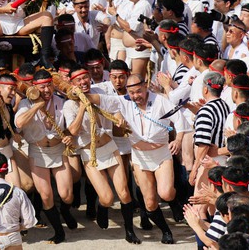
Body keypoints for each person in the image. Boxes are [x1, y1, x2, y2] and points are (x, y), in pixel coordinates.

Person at [62, 67, 139, 242]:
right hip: (90, 153)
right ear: (73, 84)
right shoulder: (69, 105)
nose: (83, 82)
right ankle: (102, 207)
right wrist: (82, 106)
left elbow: (115, 106)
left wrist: (119, 117)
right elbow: (72, 130)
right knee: (107, 198)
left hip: (109, 146)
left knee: (125, 193)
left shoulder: (99, 92)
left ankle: (129, 231)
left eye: (86, 78)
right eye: (79, 80)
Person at [117, 74, 189, 244]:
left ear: (146, 86)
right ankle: (166, 231)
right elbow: (102, 102)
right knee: (150, 202)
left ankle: (174, 201)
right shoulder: (124, 102)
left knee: (165, 192)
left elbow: (180, 121)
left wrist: (178, 140)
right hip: (140, 156)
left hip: (161, 153)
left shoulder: (161, 101)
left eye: (139, 91)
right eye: (132, 92)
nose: (136, 96)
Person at [14, 70, 76, 243]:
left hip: (58, 149)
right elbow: (19, 123)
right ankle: (58, 231)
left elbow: (69, 128)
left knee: (66, 195)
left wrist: (68, 135)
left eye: (49, 85)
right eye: (42, 87)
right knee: (46, 195)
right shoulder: (26, 104)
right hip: (38, 151)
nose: (46, 90)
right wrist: (36, 106)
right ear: (34, 87)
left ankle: (65, 210)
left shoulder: (62, 102)